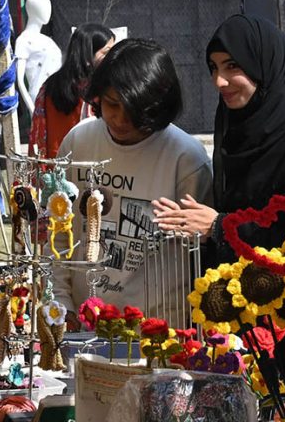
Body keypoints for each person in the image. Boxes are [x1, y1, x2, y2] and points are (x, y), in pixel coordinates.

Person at [51, 38, 213, 330]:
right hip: (82, 325)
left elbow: (197, 260)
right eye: (112, 104)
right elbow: (58, 234)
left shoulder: (187, 159)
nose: (120, 119)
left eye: (135, 110)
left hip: (158, 334)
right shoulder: (78, 142)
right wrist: (62, 303)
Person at [152, 14, 285, 265]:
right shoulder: (237, 122)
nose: (218, 81)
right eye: (213, 67)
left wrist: (218, 226)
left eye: (232, 66)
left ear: (263, 65)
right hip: (237, 287)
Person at [28, 23, 115, 159]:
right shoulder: (98, 89)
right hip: (87, 167)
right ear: (87, 56)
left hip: (55, 166)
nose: (112, 57)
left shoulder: (49, 85)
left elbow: (38, 131)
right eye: (106, 52)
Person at [15, 0, 62, 111]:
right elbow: (20, 80)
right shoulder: (24, 40)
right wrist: (32, 109)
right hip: (39, 97)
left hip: (59, 94)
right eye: (44, 6)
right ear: (32, 10)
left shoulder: (47, 41)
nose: (48, 10)